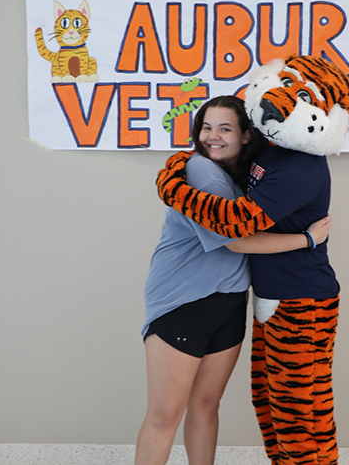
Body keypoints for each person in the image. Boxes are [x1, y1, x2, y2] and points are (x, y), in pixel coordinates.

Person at [135, 95, 332, 465]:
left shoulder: (242, 171)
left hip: (228, 303)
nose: (213, 137)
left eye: (225, 128)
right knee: (165, 417)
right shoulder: (203, 173)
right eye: (206, 128)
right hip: (183, 304)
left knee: (206, 407)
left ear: (246, 136)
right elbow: (237, 238)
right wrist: (307, 239)